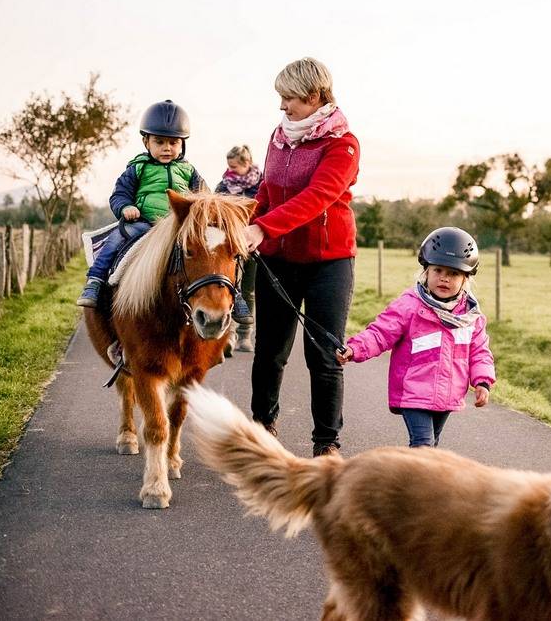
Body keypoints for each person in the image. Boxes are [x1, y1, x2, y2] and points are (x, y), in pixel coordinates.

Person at [243, 57, 360, 457]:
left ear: (314, 96)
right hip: (277, 259)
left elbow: (318, 197)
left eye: (289, 98)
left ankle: (326, 444)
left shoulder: (343, 144)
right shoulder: (278, 137)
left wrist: (263, 228)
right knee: (269, 352)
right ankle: (261, 429)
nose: (282, 107)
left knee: (324, 356)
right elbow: (266, 191)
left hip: (329, 263)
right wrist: (244, 221)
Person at [335, 227, 495, 448]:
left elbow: (480, 353)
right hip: (414, 390)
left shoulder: (470, 317)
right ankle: (413, 482)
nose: (444, 279)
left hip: (448, 395)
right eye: (438, 270)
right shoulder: (409, 305)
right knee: (423, 444)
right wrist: (355, 348)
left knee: (431, 447)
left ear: (466, 278)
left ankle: (415, 479)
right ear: (426, 271)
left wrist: (482, 381)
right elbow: (380, 332)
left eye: (453, 274)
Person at [77, 100, 205, 307]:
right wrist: (126, 207)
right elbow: (119, 195)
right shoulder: (138, 168)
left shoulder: (189, 171)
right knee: (116, 238)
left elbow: (204, 197)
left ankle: (234, 295)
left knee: (215, 248)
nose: (167, 148)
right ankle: (96, 280)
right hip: (144, 222)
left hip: (180, 225)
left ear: (182, 144)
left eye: (173, 143)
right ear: (147, 142)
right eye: (159, 142)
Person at [214, 144, 262, 353]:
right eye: (228, 166)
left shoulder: (260, 186)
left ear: (247, 164)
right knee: (230, 287)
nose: (230, 170)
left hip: (252, 246)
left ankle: (245, 335)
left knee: (248, 291)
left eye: (234, 167)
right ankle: (228, 336)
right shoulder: (223, 186)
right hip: (229, 246)